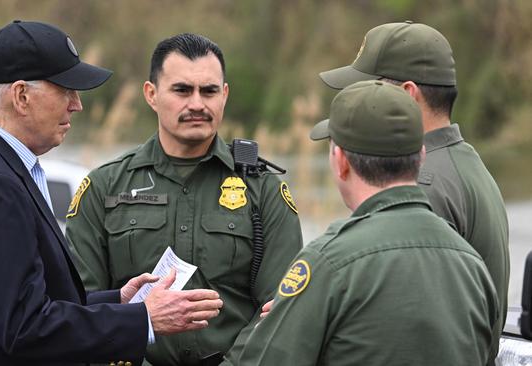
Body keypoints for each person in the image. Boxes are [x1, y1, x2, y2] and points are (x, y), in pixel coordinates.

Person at [0, 21, 222, 366]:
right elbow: (26, 328)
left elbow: (22, 304)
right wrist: (144, 319)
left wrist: (117, 304)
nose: (76, 105)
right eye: (66, 90)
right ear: (21, 96)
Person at [65, 33, 303, 365]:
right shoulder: (103, 188)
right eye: (181, 90)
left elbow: (282, 308)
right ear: (151, 94)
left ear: (225, 96)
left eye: (209, 91)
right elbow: (81, 306)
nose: (196, 104)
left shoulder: (263, 190)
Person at [232, 80, 500, 366]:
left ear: (341, 160)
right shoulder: (472, 265)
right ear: (421, 156)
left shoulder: (328, 262)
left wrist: (284, 319)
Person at [318, 22, 509, 361]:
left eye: (369, 88)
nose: (359, 100)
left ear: (407, 95)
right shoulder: (463, 162)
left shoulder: (420, 186)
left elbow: (405, 329)